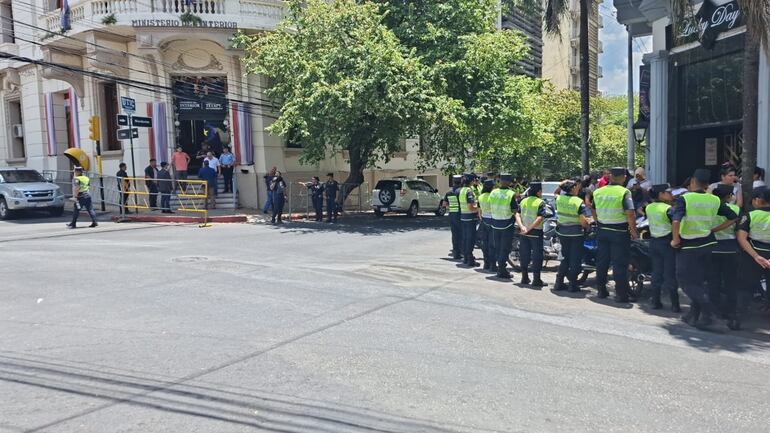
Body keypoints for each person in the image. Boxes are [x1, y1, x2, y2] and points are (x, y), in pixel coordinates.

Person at [671, 169, 738, 328]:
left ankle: (710, 313)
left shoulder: (685, 199)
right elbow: (733, 217)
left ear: (693, 181)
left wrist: (675, 239)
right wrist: (715, 229)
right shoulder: (714, 200)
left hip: (689, 246)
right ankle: (693, 316)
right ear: (707, 184)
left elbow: (675, 221)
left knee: (686, 282)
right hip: (708, 244)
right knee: (699, 281)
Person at [590, 167, 638, 302]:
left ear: (610, 176)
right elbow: (630, 213)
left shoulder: (598, 192)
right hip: (619, 232)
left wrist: (598, 221)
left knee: (602, 262)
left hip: (603, 230)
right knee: (620, 264)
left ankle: (601, 291)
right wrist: (634, 232)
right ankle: (621, 294)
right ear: (623, 177)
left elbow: (593, 209)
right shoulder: (624, 192)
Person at [734, 187, 770, 330]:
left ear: (757, 200)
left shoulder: (749, 216)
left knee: (745, 288)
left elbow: (741, 238)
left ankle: (738, 319)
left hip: (752, 256)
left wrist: (756, 256)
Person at [645, 184, 680, 312]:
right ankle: (675, 305)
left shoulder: (648, 207)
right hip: (667, 243)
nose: (671, 194)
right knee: (670, 274)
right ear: (661, 194)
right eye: (668, 192)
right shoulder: (668, 209)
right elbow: (676, 224)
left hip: (654, 242)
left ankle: (655, 301)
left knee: (656, 273)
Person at [708, 184, 740, 319]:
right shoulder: (735, 209)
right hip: (730, 248)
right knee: (730, 281)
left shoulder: (709, 208)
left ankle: (714, 308)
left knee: (713, 280)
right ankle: (730, 309)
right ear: (729, 196)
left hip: (712, 246)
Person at [554, 179, 589, 292]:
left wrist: (562, 184)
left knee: (565, 258)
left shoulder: (559, 199)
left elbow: (556, 192)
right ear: (573, 188)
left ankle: (558, 283)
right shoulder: (578, 201)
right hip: (576, 234)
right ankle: (572, 284)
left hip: (562, 232)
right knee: (575, 259)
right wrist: (588, 227)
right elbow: (583, 220)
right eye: (576, 186)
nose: (578, 188)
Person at [516, 182, 549, 287]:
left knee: (524, 255)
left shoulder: (523, 201)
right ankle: (536, 279)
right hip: (535, 232)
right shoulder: (540, 202)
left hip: (523, 232)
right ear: (538, 191)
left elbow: (517, 214)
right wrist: (529, 228)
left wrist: (522, 227)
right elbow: (540, 218)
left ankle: (524, 277)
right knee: (537, 256)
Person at [489, 174, 518, 279]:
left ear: (500, 181)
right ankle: (502, 270)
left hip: (495, 223)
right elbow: (514, 210)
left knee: (498, 247)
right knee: (505, 248)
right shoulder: (510, 194)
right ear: (509, 182)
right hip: (507, 224)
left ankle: (500, 268)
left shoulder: (493, 192)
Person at [458, 174, 480, 267]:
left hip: (463, 217)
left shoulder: (462, 190)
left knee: (466, 238)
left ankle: (466, 258)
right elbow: (471, 207)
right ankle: (470, 259)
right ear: (471, 181)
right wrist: (479, 208)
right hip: (470, 217)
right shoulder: (469, 191)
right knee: (471, 239)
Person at [477, 179, 497, 272]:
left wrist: (481, 218)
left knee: (485, 243)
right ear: (492, 187)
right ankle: (493, 265)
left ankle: (486, 263)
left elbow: (479, 209)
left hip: (484, 220)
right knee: (492, 244)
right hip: (492, 220)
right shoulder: (493, 196)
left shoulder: (481, 196)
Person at [442, 175, 463, 260]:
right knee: (462, 235)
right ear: (461, 181)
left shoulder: (449, 192)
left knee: (455, 235)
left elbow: (444, 204)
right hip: (460, 214)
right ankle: (462, 252)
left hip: (452, 215)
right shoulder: (461, 191)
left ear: (453, 181)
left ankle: (456, 253)